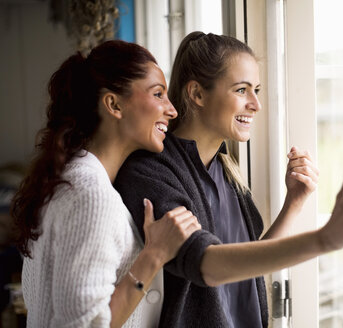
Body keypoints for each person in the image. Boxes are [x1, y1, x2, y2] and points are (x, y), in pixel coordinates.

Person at [114, 31, 343, 328]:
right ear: (197, 94)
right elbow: (207, 265)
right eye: (241, 90)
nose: (256, 104)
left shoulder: (226, 169)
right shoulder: (150, 172)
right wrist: (324, 239)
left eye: (257, 90)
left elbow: (246, 269)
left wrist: (294, 202)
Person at [10, 40, 201, 327]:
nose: (171, 110)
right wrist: (154, 255)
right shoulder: (90, 196)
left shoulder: (71, 181)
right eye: (158, 94)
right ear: (113, 104)